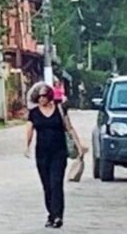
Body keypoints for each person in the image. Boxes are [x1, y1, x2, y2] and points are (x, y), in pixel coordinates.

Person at [24, 82, 85, 228]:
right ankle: (51, 214)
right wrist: (26, 146)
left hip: (59, 152)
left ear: (50, 96)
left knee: (56, 183)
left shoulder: (59, 110)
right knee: (47, 185)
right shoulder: (34, 113)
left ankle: (58, 216)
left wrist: (79, 146)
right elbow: (29, 130)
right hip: (42, 154)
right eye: (38, 96)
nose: (41, 99)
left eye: (44, 96)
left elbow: (69, 128)